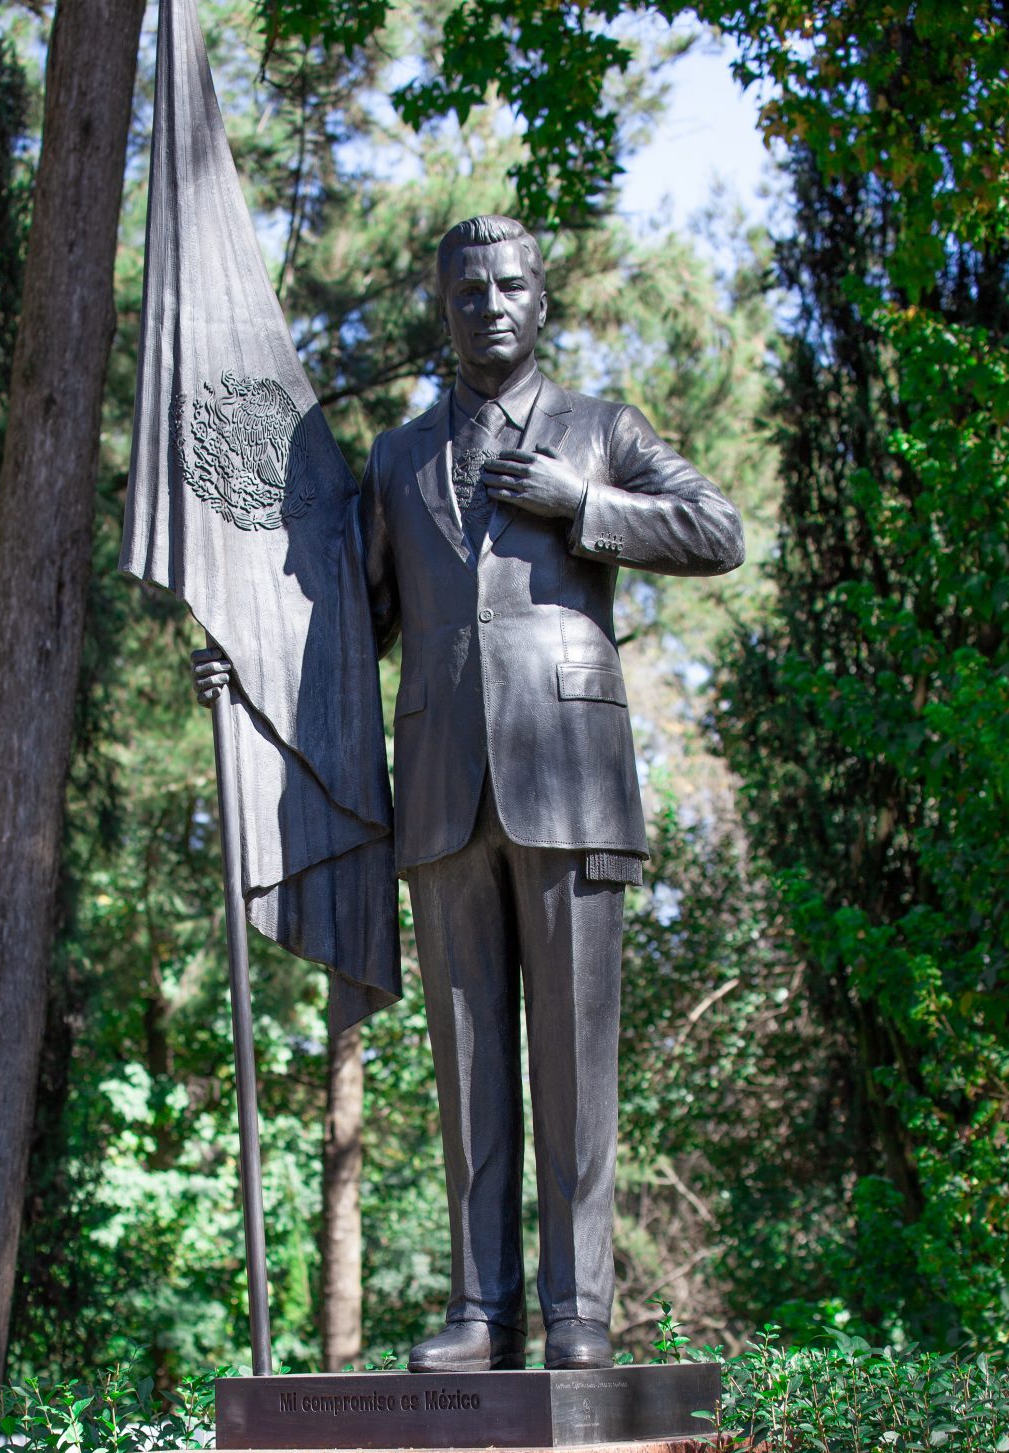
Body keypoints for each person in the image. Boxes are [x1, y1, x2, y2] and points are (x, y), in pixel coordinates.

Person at [358, 214, 744, 1372]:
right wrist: (241, 667)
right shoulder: (396, 457)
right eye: (466, 289)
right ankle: (481, 1310)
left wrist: (583, 503)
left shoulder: (598, 430)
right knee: (466, 1065)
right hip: (439, 783)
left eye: (509, 285)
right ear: (443, 306)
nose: (488, 305)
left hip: (569, 776)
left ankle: (579, 1311)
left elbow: (715, 529)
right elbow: (358, 622)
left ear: (542, 301)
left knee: (574, 1062)